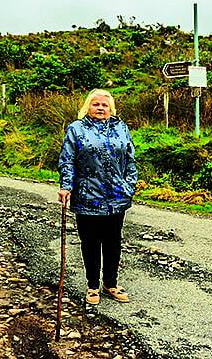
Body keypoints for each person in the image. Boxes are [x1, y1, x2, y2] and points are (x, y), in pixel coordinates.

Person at [57, 89, 137, 305]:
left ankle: (111, 284)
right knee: (90, 242)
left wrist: (129, 186)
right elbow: (67, 160)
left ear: (111, 108)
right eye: (96, 104)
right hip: (87, 197)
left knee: (113, 242)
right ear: (87, 106)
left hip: (117, 197)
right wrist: (66, 186)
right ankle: (92, 286)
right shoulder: (77, 129)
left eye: (105, 105)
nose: (100, 108)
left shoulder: (121, 128)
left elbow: (130, 159)